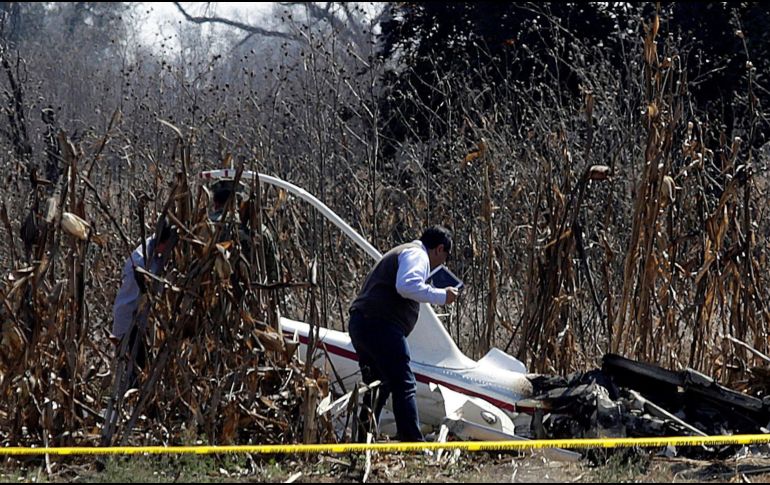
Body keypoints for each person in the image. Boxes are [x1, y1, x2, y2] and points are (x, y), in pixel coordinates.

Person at [348, 225, 459, 442]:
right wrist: (441, 296)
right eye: (445, 256)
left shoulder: (404, 252)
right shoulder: (417, 255)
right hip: (380, 325)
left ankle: (362, 440)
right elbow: (406, 285)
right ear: (439, 249)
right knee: (404, 382)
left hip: (362, 323)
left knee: (378, 384)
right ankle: (412, 441)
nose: (442, 263)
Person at [111, 222, 176, 376]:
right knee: (135, 373)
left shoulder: (155, 253)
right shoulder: (140, 263)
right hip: (130, 326)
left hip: (144, 325)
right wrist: (121, 339)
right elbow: (125, 306)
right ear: (162, 243)